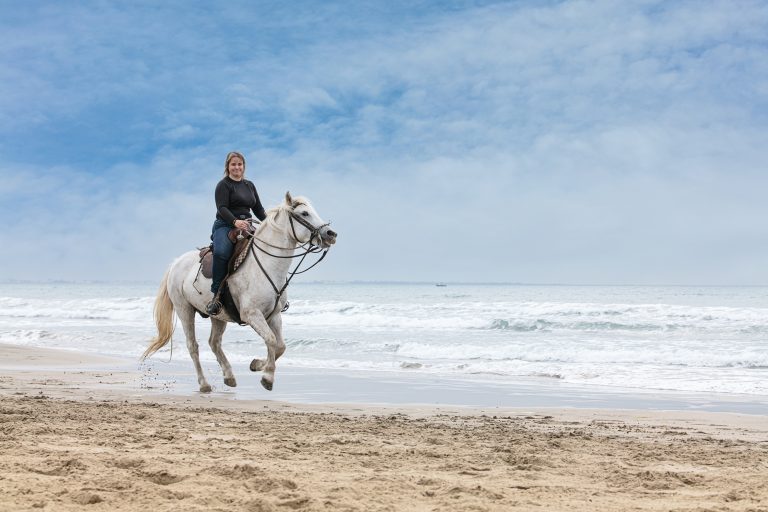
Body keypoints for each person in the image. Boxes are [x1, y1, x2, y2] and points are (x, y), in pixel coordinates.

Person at [206, 151, 267, 315]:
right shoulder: (223, 185)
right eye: (233, 164)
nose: (237, 167)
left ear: (244, 166)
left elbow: (258, 209)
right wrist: (234, 221)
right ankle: (216, 295)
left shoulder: (249, 185)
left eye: (239, 164)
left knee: (266, 247)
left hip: (247, 225)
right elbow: (222, 208)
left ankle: (270, 294)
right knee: (221, 252)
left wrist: (270, 223)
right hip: (225, 225)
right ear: (228, 166)